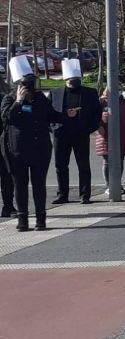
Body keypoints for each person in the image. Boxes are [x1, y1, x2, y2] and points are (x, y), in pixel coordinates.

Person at [3, 56, 56, 231]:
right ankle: (22, 219)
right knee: (20, 184)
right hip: (17, 150)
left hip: (40, 148)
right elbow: (8, 117)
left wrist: (67, 116)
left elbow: (50, 115)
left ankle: (41, 219)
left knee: (39, 184)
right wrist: (19, 101)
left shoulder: (41, 99)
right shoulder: (10, 99)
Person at [51, 58, 102, 206]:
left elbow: (96, 114)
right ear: (66, 79)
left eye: (77, 79)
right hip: (61, 135)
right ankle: (62, 194)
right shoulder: (56, 93)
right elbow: (48, 114)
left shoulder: (90, 93)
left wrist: (89, 129)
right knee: (60, 166)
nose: (74, 81)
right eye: (72, 79)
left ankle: (85, 195)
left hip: (81, 134)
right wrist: (53, 128)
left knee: (83, 165)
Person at [94, 89, 125, 197]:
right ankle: (109, 185)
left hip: (123, 136)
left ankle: (117, 184)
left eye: (120, 88)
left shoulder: (124, 103)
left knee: (120, 161)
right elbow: (94, 116)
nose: (118, 90)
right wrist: (98, 126)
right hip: (106, 137)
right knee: (107, 161)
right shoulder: (101, 102)